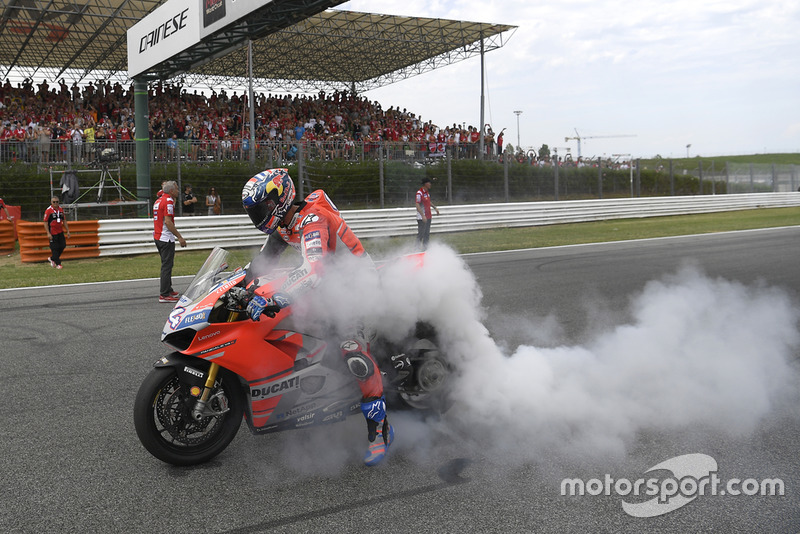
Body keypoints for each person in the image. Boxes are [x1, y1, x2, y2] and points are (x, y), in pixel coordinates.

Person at [242, 168, 394, 466]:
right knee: (291, 326)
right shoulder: (286, 224)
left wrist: (276, 296)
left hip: (357, 286)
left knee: (352, 352)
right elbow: (263, 262)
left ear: (280, 199)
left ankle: (381, 429)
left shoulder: (312, 220)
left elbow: (313, 269)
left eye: (264, 207)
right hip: (330, 286)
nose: (260, 214)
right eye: (255, 210)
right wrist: (242, 287)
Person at [153, 181, 187, 302]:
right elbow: (168, 222)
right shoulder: (167, 201)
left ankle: (168, 289)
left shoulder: (160, 199)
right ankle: (164, 294)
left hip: (158, 236)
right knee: (166, 266)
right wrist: (179, 237)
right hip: (165, 238)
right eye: (177, 189)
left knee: (167, 264)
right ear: (172, 191)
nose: (178, 191)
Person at [43, 197, 70, 269]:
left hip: (60, 231)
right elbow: (45, 222)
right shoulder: (48, 210)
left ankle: (52, 258)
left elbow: (64, 220)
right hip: (52, 232)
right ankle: (58, 263)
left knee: (63, 245)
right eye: (54, 202)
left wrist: (67, 230)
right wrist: (48, 233)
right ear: (51, 202)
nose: (56, 204)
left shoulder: (61, 209)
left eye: (57, 202)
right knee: (55, 248)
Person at [415, 177, 439, 250]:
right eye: (429, 183)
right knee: (421, 234)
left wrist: (435, 208)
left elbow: (428, 202)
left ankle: (425, 249)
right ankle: (416, 248)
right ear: (426, 184)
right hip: (422, 217)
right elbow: (417, 204)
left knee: (427, 234)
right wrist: (423, 216)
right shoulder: (419, 193)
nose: (430, 184)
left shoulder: (427, 193)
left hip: (428, 216)